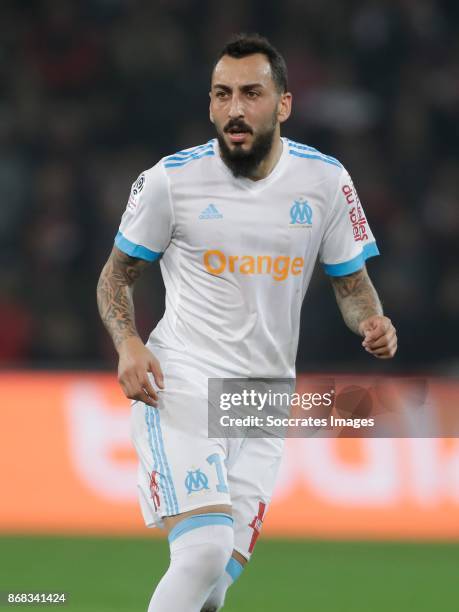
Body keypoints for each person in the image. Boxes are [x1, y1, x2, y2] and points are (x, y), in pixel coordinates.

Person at [96, 33, 397, 612]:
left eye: (252, 93)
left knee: (216, 585)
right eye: (222, 94)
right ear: (210, 105)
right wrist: (129, 343)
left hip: (263, 398)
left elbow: (351, 283)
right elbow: (115, 277)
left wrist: (373, 321)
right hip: (183, 379)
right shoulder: (170, 181)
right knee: (204, 551)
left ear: (283, 104)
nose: (235, 109)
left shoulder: (326, 180)